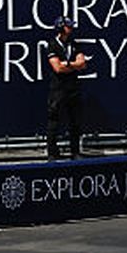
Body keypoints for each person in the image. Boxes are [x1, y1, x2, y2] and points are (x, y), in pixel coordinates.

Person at [45, 15, 87, 160]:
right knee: (54, 121)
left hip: (73, 88)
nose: (71, 28)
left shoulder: (74, 44)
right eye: (68, 26)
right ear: (61, 28)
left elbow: (83, 64)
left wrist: (67, 64)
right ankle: (52, 153)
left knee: (75, 121)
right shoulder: (52, 45)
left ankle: (75, 151)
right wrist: (73, 65)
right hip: (58, 89)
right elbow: (57, 68)